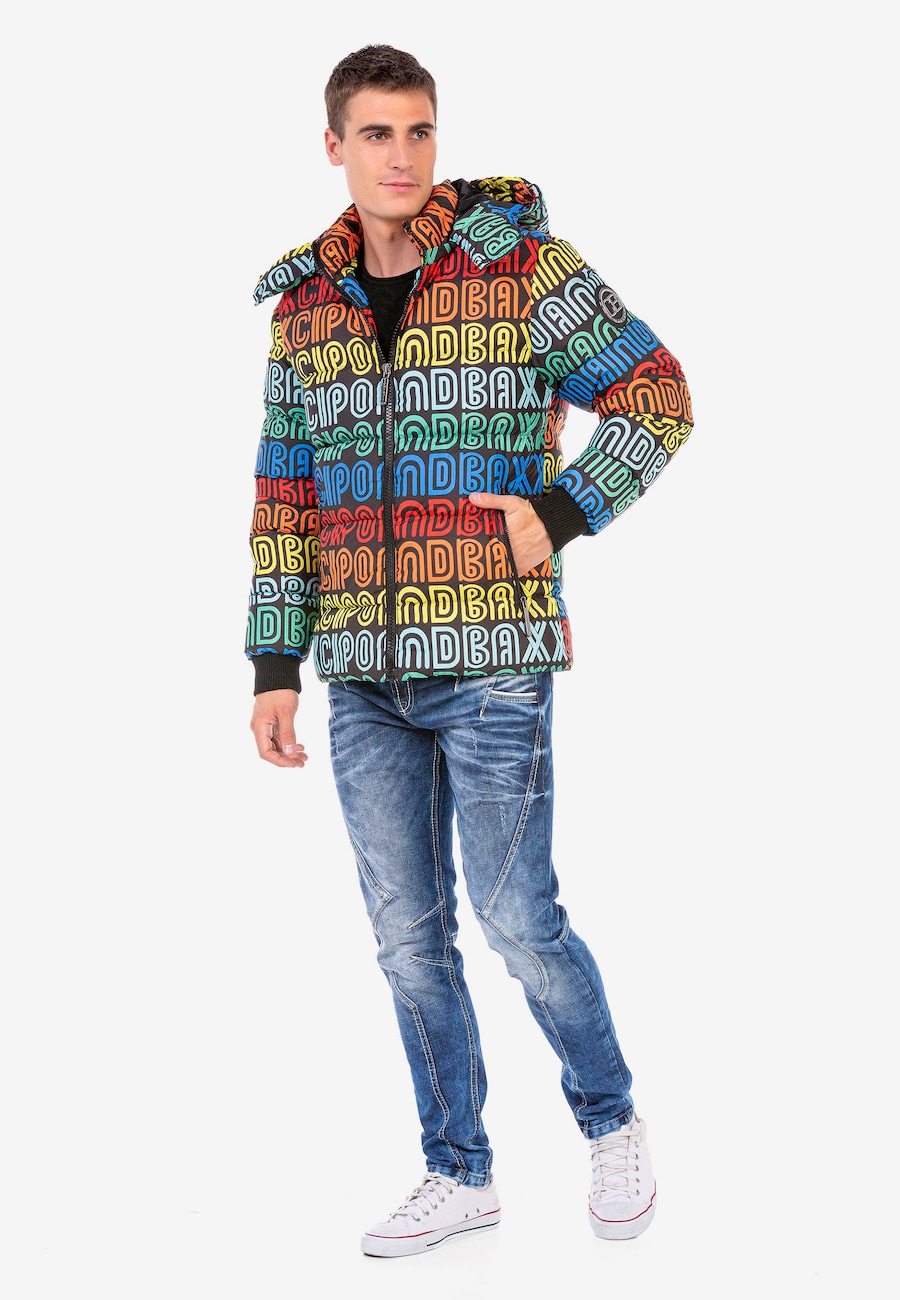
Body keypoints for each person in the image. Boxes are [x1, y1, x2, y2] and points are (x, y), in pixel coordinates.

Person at [247, 44, 693, 1258]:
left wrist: (562, 511)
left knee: (514, 916)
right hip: (361, 676)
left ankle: (611, 1119)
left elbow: (658, 394)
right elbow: (286, 491)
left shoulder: (519, 268)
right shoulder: (306, 309)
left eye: (420, 131)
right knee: (406, 938)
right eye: (376, 133)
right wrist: (276, 665)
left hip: (492, 652)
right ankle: (459, 1169)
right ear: (334, 146)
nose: (401, 156)